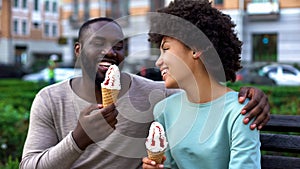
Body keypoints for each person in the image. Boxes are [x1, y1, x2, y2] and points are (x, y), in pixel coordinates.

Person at [20, 16, 268, 169]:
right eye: (98, 43)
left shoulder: (155, 96)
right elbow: (29, 166)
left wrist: (250, 95)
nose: (110, 52)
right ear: (78, 50)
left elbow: (203, 95)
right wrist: (78, 139)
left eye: (118, 46)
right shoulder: (49, 99)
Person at [142, 0, 261, 168]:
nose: (158, 62)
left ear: (195, 49)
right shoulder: (164, 110)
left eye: (166, 49)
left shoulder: (239, 111)